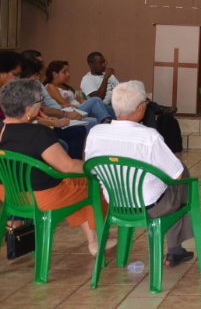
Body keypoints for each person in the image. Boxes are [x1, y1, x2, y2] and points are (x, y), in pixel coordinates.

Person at [84, 80, 196, 266]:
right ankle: (175, 249)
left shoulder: (95, 133)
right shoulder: (149, 137)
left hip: (116, 204)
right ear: (141, 108)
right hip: (152, 206)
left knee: (176, 178)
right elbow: (176, 175)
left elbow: (93, 170)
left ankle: (174, 249)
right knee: (182, 174)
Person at [0, 79, 115, 256]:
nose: (41, 105)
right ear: (28, 110)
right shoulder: (38, 133)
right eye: (39, 102)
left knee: (77, 187)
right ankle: (97, 240)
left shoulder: (2, 130)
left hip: (9, 194)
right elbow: (68, 166)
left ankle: (94, 240)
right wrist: (96, 168)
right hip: (42, 198)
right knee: (93, 185)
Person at [19, 58, 90, 158]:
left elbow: (40, 110)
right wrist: (53, 122)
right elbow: (28, 119)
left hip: (45, 122)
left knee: (78, 130)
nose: (38, 78)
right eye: (36, 75)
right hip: (33, 130)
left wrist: (48, 118)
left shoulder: (33, 87)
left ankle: (73, 164)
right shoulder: (18, 92)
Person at [45, 60, 113, 122]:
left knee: (110, 109)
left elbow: (81, 100)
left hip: (80, 109)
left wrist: (91, 106)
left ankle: (111, 121)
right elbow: (65, 104)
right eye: (64, 72)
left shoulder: (66, 87)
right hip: (71, 112)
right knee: (96, 99)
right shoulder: (51, 87)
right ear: (54, 74)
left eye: (68, 71)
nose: (68, 75)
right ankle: (106, 121)